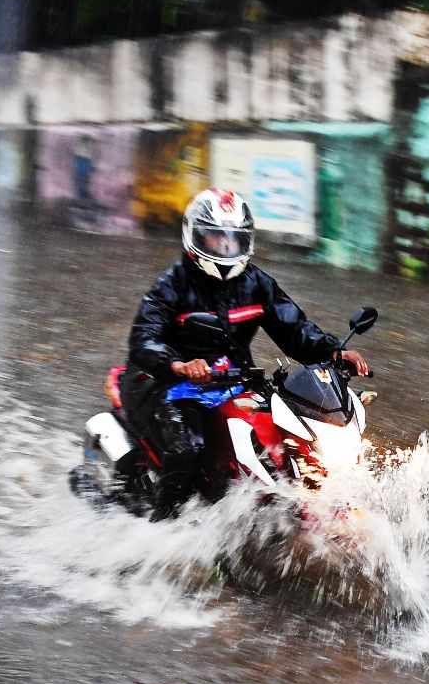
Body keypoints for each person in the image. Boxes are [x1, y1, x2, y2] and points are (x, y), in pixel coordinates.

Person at [119, 188, 369, 521]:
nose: (225, 247)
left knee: (283, 436)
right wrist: (177, 364)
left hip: (234, 381)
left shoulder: (257, 284)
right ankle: (164, 530)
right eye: (215, 238)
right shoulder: (171, 286)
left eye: (233, 239)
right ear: (195, 237)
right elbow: (144, 338)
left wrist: (335, 352)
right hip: (166, 385)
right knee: (188, 446)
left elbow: (294, 329)